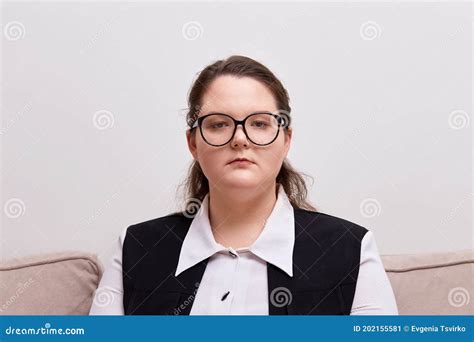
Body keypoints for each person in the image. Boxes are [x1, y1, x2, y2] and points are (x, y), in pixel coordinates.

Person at [89, 55, 398, 315]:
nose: (239, 139)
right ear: (193, 143)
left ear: (286, 139)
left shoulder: (350, 249)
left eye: (260, 124)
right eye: (219, 124)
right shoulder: (136, 248)